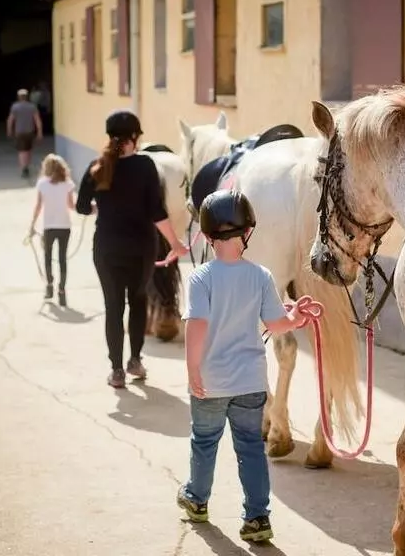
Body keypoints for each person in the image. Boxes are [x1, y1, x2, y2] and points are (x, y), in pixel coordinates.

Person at [176, 189, 313, 542]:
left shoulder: (200, 277)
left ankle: (197, 500)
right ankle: (257, 518)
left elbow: (197, 326)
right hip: (251, 382)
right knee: (250, 447)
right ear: (248, 232)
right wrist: (295, 317)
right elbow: (277, 323)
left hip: (210, 381)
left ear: (206, 236)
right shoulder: (261, 276)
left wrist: (193, 370)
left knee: (204, 442)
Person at [75, 109, 188, 388]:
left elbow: (80, 206)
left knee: (113, 307)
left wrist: (103, 207)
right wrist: (175, 244)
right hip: (141, 249)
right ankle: (135, 360)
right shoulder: (146, 166)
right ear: (135, 137)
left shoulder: (97, 166)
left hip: (107, 249)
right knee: (137, 302)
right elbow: (157, 212)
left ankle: (116, 371)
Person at [28, 153, 76, 306]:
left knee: (48, 257)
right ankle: (62, 291)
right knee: (62, 259)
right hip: (65, 226)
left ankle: (49, 286)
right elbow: (71, 206)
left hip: (49, 227)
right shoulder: (68, 184)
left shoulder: (42, 183)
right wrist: (91, 209)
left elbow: (38, 206)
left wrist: (32, 225)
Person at [6, 88, 43, 178]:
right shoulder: (32, 106)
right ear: (27, 97)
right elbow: (37, 120)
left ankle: (24, 168)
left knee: (22, 151)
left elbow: (10, 120)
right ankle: (27, 165)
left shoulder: (15, 106)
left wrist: (9, 130)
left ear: (19, 97)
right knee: (29, 150)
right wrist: (39, 132)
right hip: (30, 132)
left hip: (19, 132)